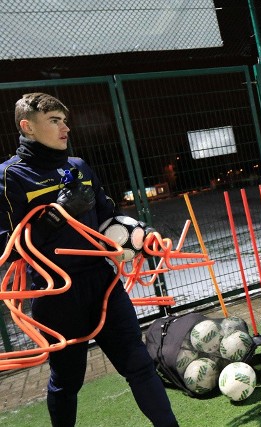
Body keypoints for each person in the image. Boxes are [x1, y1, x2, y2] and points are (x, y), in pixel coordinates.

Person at [0, 93, 179, 426]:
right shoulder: (9, 177)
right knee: (67, 382)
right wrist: (57, 214)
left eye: (65, 120)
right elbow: (6, 249)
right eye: (54, 120)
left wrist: (142, 234)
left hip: (103, 284)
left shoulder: (78, 167)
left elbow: (109, 218)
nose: (65, 127)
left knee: (139, 365)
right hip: (55, 295)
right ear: (28, 126)